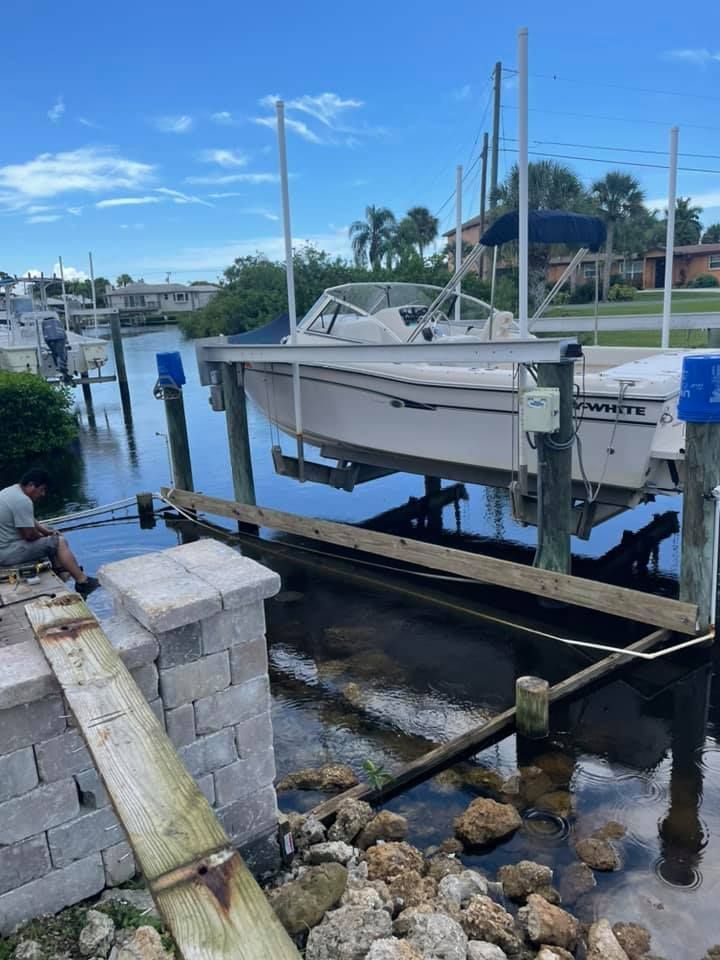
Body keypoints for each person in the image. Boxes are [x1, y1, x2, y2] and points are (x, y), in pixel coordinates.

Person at [0, 469, 99, 597]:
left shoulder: (12, 491)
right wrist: (48, 537)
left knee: (51, 534)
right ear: (31, 485)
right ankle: (82, 581)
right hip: (7, 553)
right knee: (59, 542)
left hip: (5, 547)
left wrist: (47, 532)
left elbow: (28, 518)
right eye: (42, 489)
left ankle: (60, 570)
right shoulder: (22, 501)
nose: (43, 494)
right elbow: (29, 536)